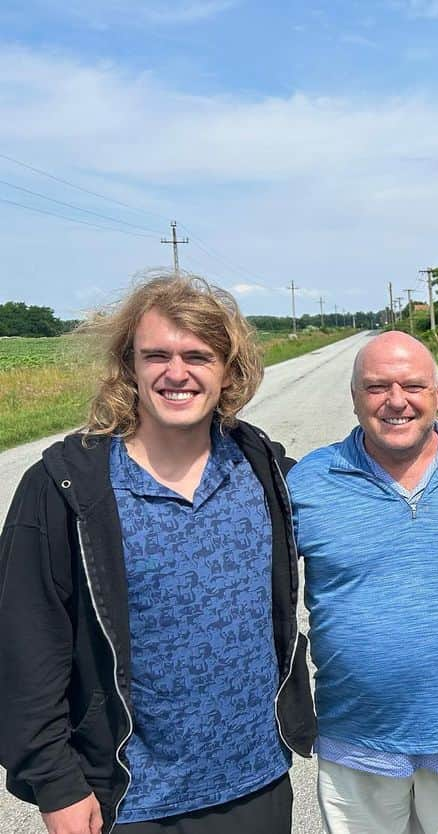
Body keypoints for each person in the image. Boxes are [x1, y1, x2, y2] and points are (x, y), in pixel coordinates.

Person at [0, 273, 315, 834]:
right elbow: (24, 645)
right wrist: (55, 784)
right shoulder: (66, 487)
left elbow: (371, 479)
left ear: (228, 371)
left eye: (198, 355)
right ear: (130, 365)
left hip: (260, 784)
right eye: (156, 355)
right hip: (130, 802)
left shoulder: (262, 470)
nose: (177, 373)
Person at [287, 331, 438, 834]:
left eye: (412, 385)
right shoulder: (310, 481)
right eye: (376, 387)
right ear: (353, 397)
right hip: (356, 739)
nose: (396, 401)